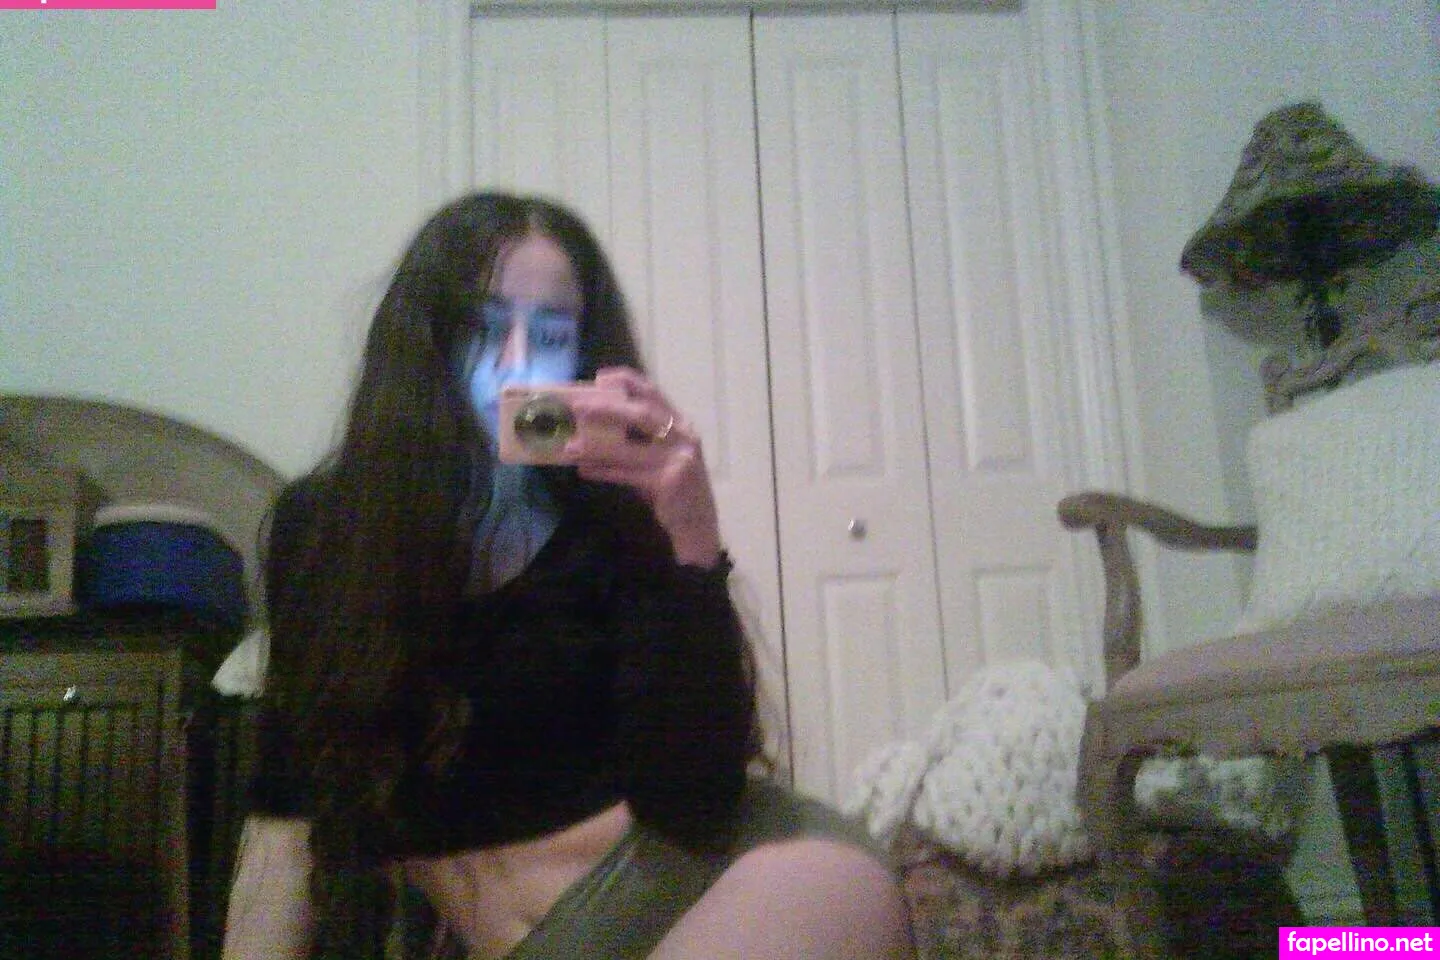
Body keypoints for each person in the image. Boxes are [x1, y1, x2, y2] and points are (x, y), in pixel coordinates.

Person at [221, 192, 915, 960]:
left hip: (698, 877)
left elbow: (696, 798)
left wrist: (690, 539)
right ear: (425, 340)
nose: (519, 361)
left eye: (552, 334)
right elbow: (284, 812)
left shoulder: (609, 515)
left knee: (837, 886)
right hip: (556, 937)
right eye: (485, 328)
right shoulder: (329, 527)